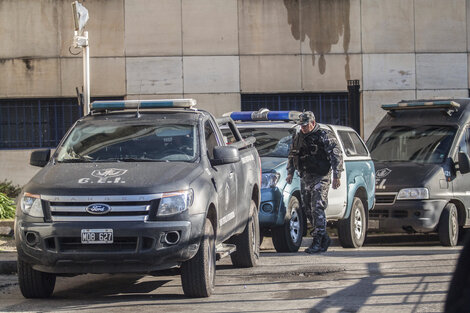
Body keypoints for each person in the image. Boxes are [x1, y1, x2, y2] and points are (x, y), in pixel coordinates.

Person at [286, 111, 343, 254]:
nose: (303, 128)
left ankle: (317, 241)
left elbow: (336, 155)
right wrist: (290, 173)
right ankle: (324, 237)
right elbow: (293, 155)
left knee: (318, 206)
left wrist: (337, 176)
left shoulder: (324, 135)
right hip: (306, 175)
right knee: (307, 209)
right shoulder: (298, 137)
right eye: (302, 126)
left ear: (313, 123)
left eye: (305, 125)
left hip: (321, 175)